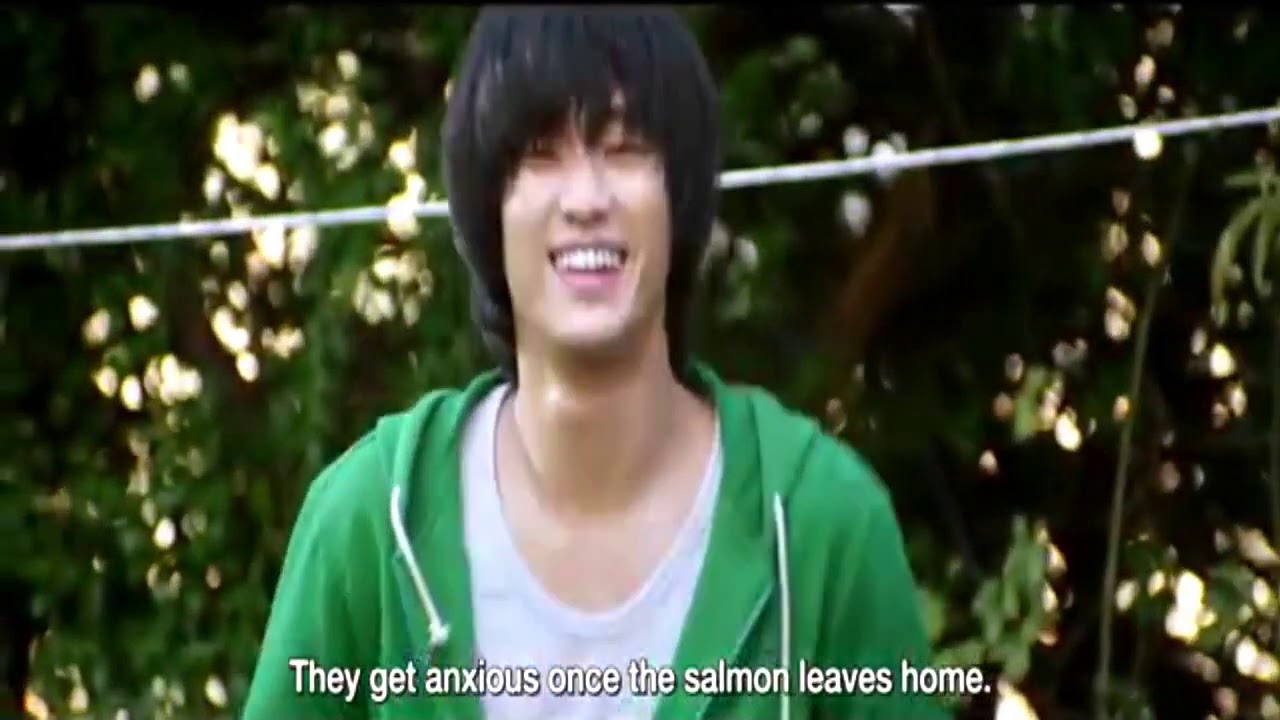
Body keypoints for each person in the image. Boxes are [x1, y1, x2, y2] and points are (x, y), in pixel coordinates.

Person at [243, 7, 948, 720]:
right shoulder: (370, 524)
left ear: (681, 197)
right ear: (488, 208)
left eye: (625, 148)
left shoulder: (821, 528)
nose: (586, 199)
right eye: (541, 153)